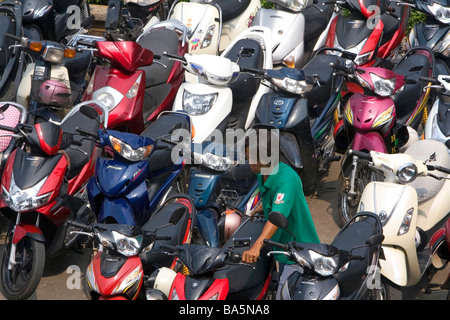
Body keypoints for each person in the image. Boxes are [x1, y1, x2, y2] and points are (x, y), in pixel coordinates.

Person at [241, 127, 320, 300]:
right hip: (281, 248)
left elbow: (277, 217)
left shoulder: (287, 179)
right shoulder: (264, 172)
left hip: (298, 253)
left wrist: (256, 246)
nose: (250, 162)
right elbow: (273, 198)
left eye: (254, 157)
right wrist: (260, 208)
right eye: (248, 157)